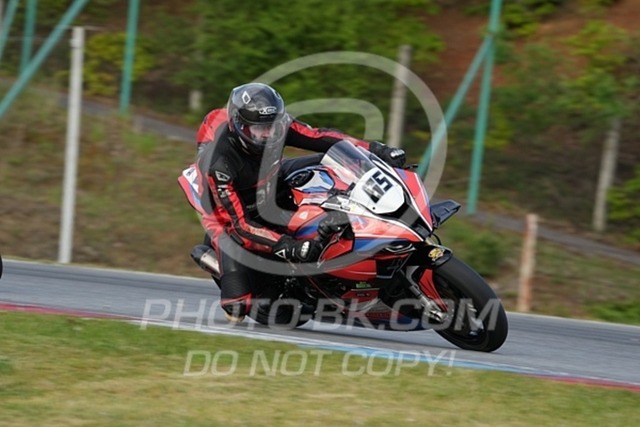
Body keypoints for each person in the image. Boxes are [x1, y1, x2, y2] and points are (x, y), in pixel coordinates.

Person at [189, 82, 406, 322]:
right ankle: (219, 264)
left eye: (272, 127)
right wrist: (289, 246)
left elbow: (323, 137)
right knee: (238, 306)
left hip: (271, 179)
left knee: (332, 162)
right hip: (228, 213)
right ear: (239, 127)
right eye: (259, 129)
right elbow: (239, 226)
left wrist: (375, 150)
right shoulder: (218, 165)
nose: (268, 134)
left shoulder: (279, 126)